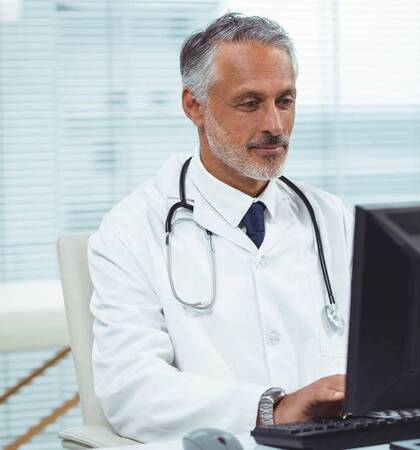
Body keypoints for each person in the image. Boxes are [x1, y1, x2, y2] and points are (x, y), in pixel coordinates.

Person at [88, 13, 354, 443]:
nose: (275, 125)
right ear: (194, 105)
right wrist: (274, 410)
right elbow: (130, 390)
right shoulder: (130, 230)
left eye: (284, 100)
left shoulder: (332, 218)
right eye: (249, 103)